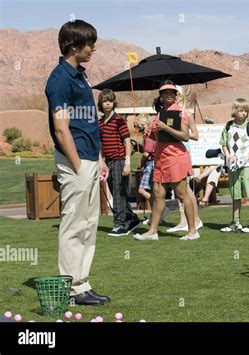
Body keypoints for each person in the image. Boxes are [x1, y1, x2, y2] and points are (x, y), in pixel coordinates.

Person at [45, 20, 110, 305]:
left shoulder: (80, 76)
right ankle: (70, 290)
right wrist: (77, 165)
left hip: (89, 158)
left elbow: (87, 122)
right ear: (73, 46)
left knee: (89, 224)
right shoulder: (59, 79)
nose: (93, 48)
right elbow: (62, 129)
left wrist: (98, 158)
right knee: (74, 225)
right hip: (75, 162)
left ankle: (82, 284)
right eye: (89, 43)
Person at [134, 81, 199, 241]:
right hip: (160, 159)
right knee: (157, 194)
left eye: (171, 92)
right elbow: (156, 137)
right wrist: (147, 130)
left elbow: (184, 136)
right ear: (161, 97)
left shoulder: (182, 113)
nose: (168, 95)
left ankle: (192, 231)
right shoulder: (159, 114)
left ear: (176, 96)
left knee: (182, 195)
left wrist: (165, 128)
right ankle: (153, 231)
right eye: (165, 93)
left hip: (176, 158)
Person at [98, 89, 140, 236]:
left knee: (118, 193)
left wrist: (128, 162)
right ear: (101, 104)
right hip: (108, 162)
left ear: (114, 102)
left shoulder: (119, 120)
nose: (107, 103)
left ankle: (119, 224)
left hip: (120, 161)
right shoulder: (100, 123)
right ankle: (132, 219)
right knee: (119, 193)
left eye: (110, 100)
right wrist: (100, 162)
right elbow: (101, 145)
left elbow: (127, 141)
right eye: (104, 101)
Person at [165, 85, 203, 233]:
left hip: (182, 153)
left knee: (184, 189)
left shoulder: (184, 113)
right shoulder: (168, 114)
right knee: (181, 189)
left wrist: (181, 133)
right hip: (171, 154)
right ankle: (185, 221)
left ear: (178, 97)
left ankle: (195, 220)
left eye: (174, 94)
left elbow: (195, 135)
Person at [220, 98, 249, 233]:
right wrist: (228, 156)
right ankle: (236, 222)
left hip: (248, 166)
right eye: (241, 110)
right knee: (235, 194)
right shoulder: (228, 127)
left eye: (246, 111)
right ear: (234, 111)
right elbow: (224, 144)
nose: (244, 113)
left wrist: (245, 158)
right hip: (233, 166)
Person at [133, 113, 170, 224]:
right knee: (154, 192)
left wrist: (140, 164)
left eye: (139, 128)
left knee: (142, 190)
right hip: (155, 163)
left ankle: (161, 208)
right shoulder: (152, 134)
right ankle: (156, 213)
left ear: (143, 125)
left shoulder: (148, 136)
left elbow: (146, 153)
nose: (139, 131)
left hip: (150, 164)